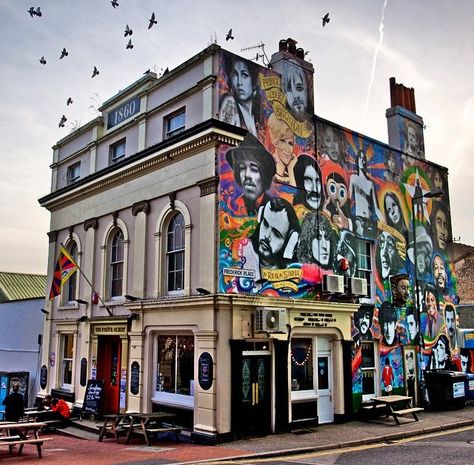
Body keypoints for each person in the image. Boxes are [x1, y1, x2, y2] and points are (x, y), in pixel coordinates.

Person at [243, 197, 301, 281]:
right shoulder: (243, 253)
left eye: (276, 233)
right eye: (265, 224)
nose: (266, 236)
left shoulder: (294, 274)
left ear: (289, 240)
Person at [225, 133, 276, 215]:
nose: (247, 175)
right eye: (242, 168)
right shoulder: (235, 208)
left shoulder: (275, 209)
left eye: (254, 169)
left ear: (265, 175)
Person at [219, 56, 261, 136]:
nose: (239, 82)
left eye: (244, 75)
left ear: (254, 83)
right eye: (235, 75)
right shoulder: (230, 103)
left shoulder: (255, 118)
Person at [349, 149, 382, 237]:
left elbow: (377, 209)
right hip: (358, 219)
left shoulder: (370, 184)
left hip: (369, 221)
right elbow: (348, 200)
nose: (362, 160)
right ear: (357, 160)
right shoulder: (354, 178)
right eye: (360, 158)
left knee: (371, 243)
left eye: (363, 158)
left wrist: (385, 224)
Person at [267, 113, 296, 185]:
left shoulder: (291, 176)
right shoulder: (266, 173)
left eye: (290, 143)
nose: (288, 149)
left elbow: (296, 196)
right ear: (275, 141)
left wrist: (290, 170)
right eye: (283, 141)